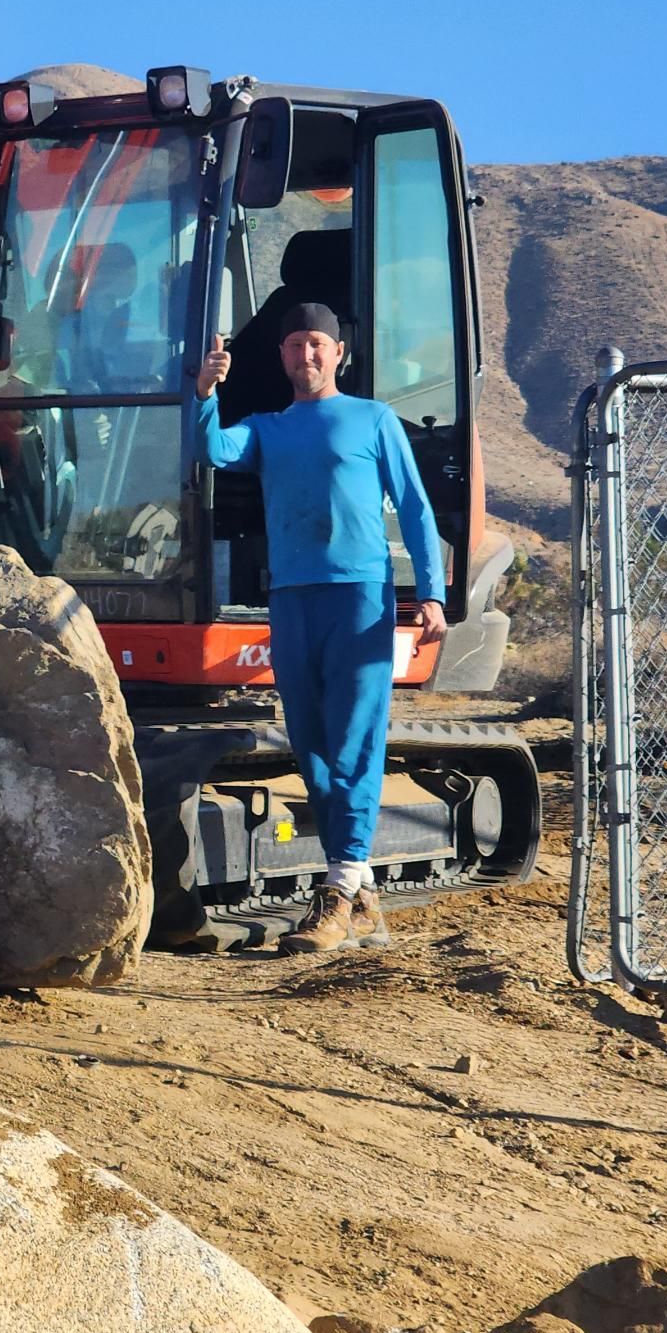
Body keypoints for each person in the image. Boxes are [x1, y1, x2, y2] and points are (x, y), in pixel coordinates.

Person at [194, 302, 448, 954]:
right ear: (281, 357)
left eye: (316, 345)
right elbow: (215, 449)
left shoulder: (373, 419)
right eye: (294, 346)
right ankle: (359, 893)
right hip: (292, 601)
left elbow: (417, 509)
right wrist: (205, 394)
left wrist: (432, 594)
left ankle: (336, 892)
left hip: (360, 601)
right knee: (311, 746)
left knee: (355, 741)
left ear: (338, 353)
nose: (304, 356)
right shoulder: (269, 429)